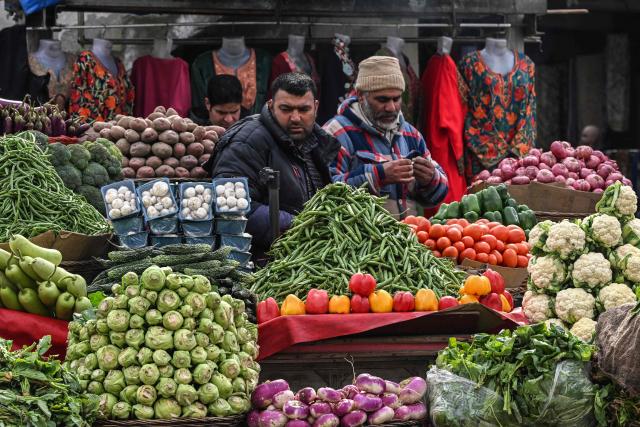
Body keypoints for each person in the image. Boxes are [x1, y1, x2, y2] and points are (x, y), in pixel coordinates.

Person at [206, 72, 340, 260]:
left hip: (300, 260)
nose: (295, 117)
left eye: (304, 110)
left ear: (316, 107)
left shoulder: (312, 142)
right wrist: (303, 224)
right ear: (271, 105)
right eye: (286, 109)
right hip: (262, 267)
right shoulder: (246, 142)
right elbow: (233, 209)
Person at [323, 56, 448, 216]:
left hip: (409, 237)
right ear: (361, 95)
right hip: (361, 240)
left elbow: (438, 194)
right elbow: (323, 192)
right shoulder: (336, 132)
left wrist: (430, 179)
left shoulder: (410, 134)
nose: (391, 107)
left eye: (396, 99)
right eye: (382, 99)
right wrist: (378, 175)